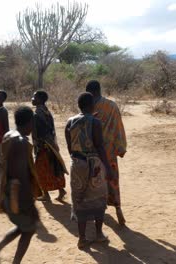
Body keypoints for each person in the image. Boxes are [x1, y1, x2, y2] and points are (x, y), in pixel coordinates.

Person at [0, 106, 41, 264]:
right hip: (18, 195)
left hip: (7, 192)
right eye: (33, 123)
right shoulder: (21, 142)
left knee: (24, 227)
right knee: (29, 229)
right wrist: (27, 201)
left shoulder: (9, 135)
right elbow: (19, 175)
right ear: (29, 122)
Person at [64, 92, 113, 249]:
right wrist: (108, 167)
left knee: (79, 200)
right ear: (92, 106)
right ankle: (98, 234)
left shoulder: (70, 121)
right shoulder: (96, 122)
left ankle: (82, 238)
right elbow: (99, 146)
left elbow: (70, 148)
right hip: (95, 166)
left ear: (79, 105)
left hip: (77, 164)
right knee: (98, 199)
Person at [86, 80, 127, 225]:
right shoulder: (112, 106)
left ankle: (98, 214)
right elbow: (118, 128)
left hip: (93, 152)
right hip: (109, 152)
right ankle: (118, 209)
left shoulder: (88, 108)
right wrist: (120, 147)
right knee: (113, 181)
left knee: (95, 182)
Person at [31, 91, 68, 203]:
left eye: (34, 97)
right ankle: (61, 190)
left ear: (40, 100)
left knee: (40, 169)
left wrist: (38, 144)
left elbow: (39, 132)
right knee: (53, 167)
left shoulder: (37, 113)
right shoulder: (46, 111)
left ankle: (45, 194)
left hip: (43, 146)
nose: (32, 99)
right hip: (51, 144)